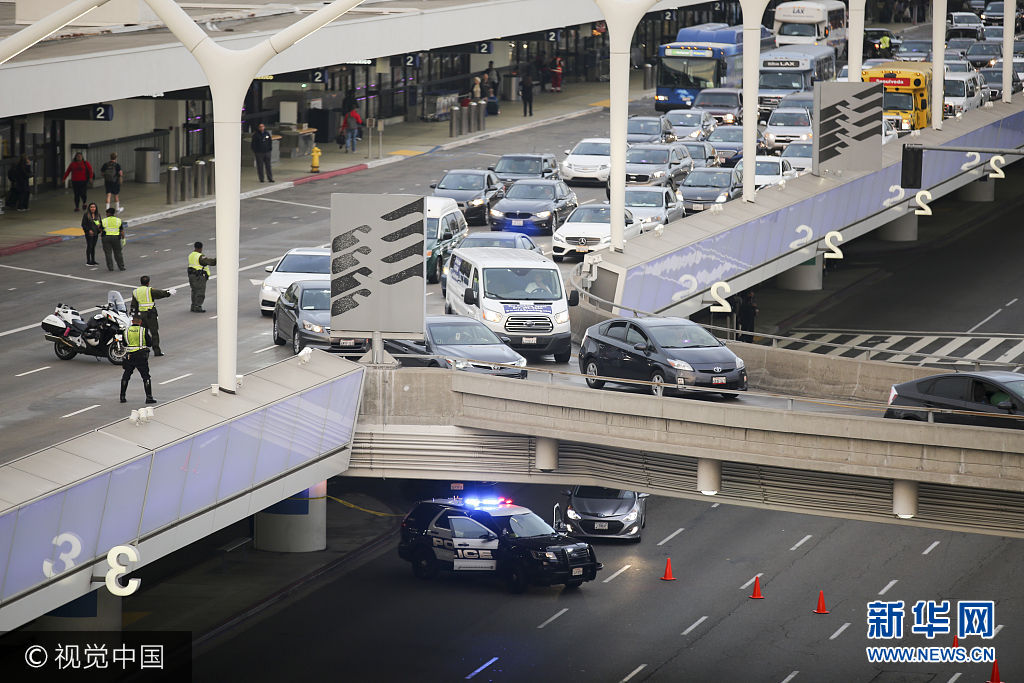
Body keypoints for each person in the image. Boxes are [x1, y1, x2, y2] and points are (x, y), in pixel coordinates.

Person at [131, 275, 174, 356]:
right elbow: (160, 293)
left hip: (140, 316)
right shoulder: (149, 290)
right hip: (150, 315)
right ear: (148, 282)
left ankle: (142, 350)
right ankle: (157, 351)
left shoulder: (135, 292)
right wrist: (169, 292)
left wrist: (133, 315)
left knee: (142, 333)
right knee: (154, 333)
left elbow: (133, 305)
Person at [120, 313, 156, 405]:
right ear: (140, 322)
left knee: (126, 376)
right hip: (141, 356)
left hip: (129, 356)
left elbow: (124, 344)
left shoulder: (126, 331)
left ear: (132, 321)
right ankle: (149, 397)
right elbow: (149, 343)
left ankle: (122, 396)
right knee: (146, 376)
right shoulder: (143, 330)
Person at [187, 241, 217, 312]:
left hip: (191, 276)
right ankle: (198, 306)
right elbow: (211, 262)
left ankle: (193, 306)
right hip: (199, 277)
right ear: (201, 248)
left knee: (194, 291)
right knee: (200, 291)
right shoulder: (200, 256)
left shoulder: (191, 255)